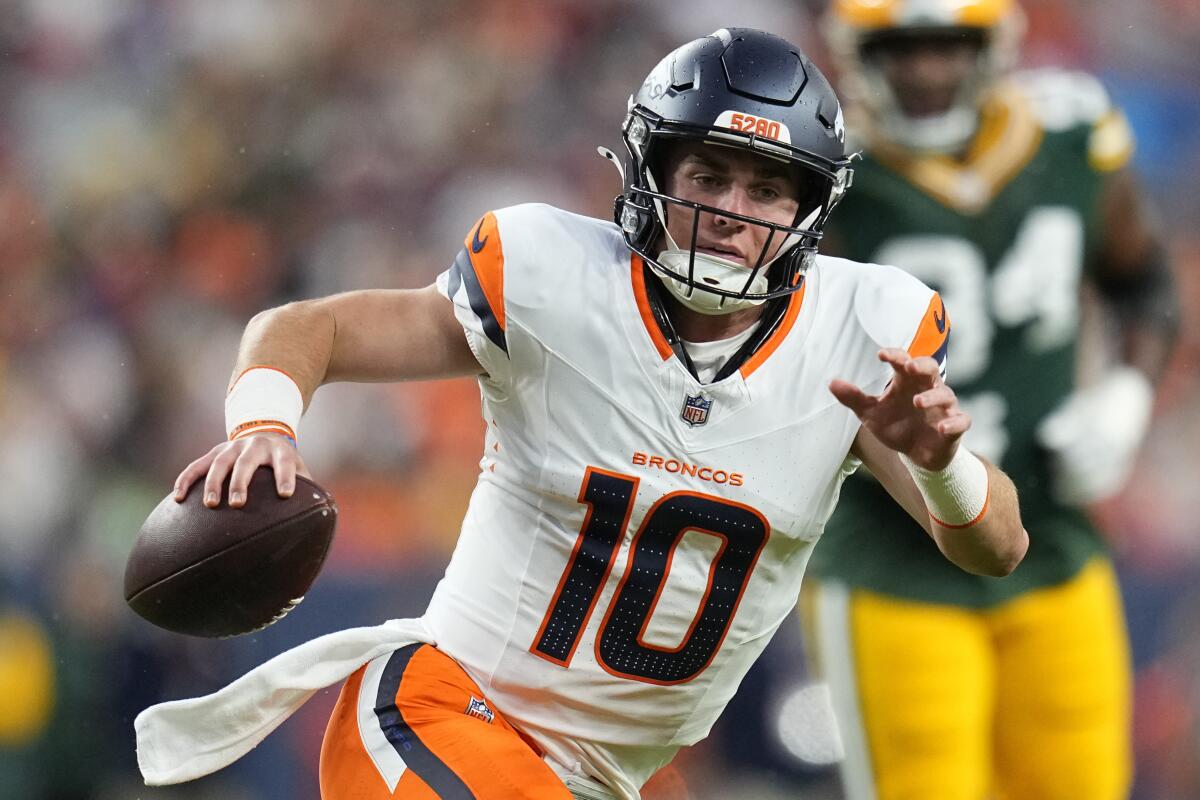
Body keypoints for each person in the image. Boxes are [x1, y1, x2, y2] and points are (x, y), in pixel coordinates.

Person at [135, 28, 1028, 800]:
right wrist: (262, 426)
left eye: (765, 191)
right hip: (437, 710)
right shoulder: (556, 280)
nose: (729, 213)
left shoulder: (860, 340)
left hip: (596, 777)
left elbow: (997, 549)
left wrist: (945, 468)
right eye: (708, 176)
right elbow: (307, 328)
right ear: (652, 172)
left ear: (808, 211)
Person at [802, 2, 1180, 799]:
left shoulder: (1071, 135)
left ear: (996, 46)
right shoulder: (819, 171)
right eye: (902, 49)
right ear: (857, 51)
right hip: (891, 553)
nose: (927, 72)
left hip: (1053, 536)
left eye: (950, 46)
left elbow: (1144, 283)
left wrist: (1126, 396)